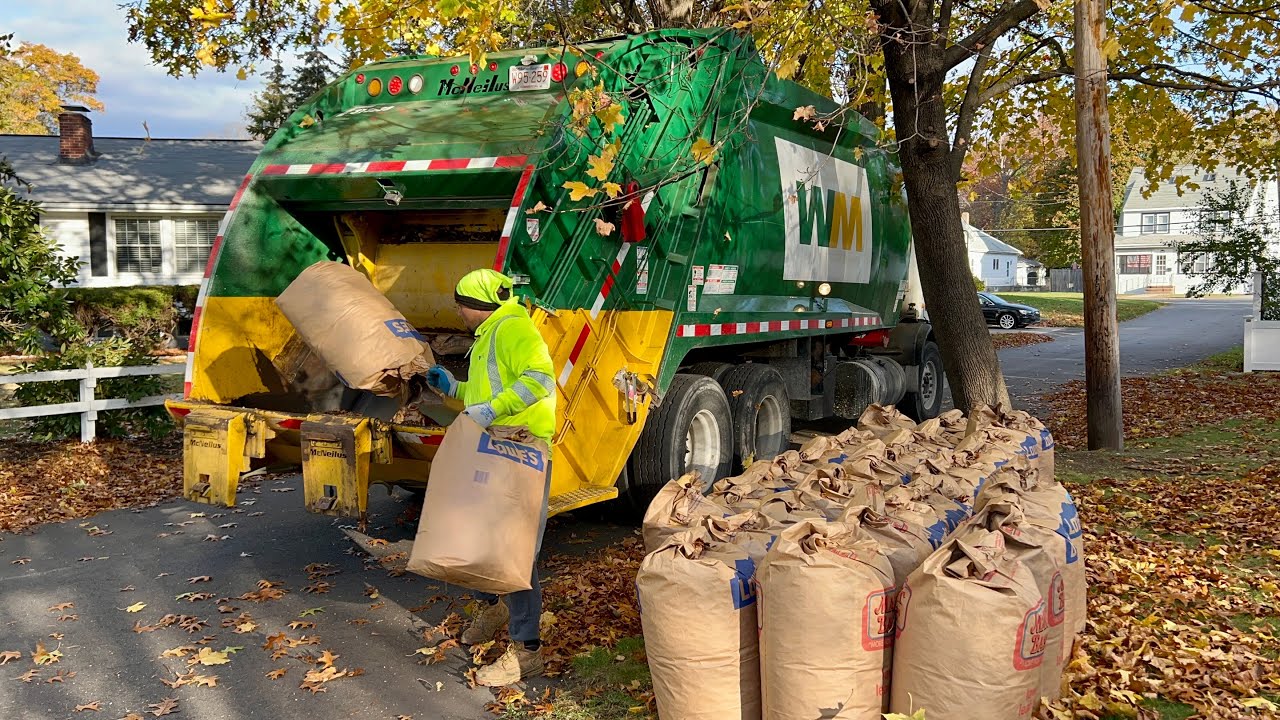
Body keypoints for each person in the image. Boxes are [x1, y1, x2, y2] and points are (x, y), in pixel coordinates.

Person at [424, 268, 556, 686]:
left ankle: (527, 650)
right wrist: (456, 388)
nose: (459, 312)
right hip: (495, 443)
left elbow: (539, 380)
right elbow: (487, 393)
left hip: (520, 448)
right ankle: (493, 606)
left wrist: (491, 411)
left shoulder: (514, 329)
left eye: (461, 304)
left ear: (478, 306)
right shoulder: (489, 335)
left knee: (514, 552)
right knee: (478, 536)